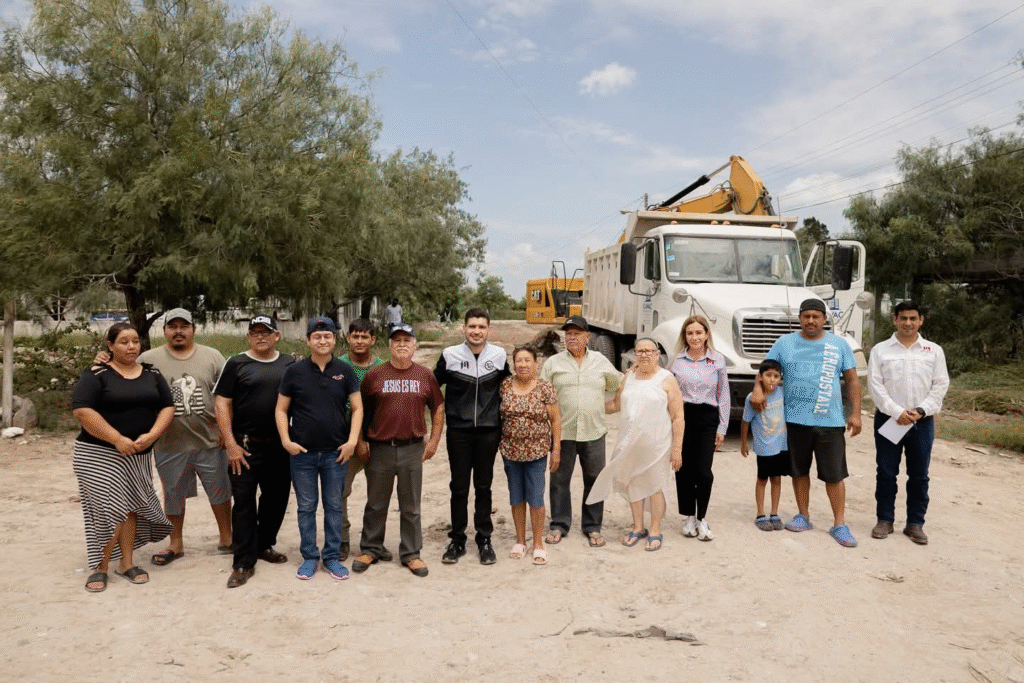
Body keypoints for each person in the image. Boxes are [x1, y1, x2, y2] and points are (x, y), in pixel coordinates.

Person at [72, 323, 175, 592]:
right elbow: (82, 410)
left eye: (135, 341)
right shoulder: (97, 374)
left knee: (130, 506)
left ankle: (126, 563)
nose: (131, 346)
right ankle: (100, 567)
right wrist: (117, 439)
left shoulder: (152, 373)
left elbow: (167, 407)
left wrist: (152, 436)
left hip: (138, 453)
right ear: (110, 345)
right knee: (109, 507)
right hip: (99, 453)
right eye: (123, 342)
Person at [753, 298, 862, 547]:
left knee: (834, 475)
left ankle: (839, 524)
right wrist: (758, 391)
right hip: (794, 420)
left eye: (816, 316)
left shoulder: (839, 344)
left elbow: (853, 380)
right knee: (799, 471)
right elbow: (764, 371)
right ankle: (803, 516)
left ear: (824, 319)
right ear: (800, 318)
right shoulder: (784, 343)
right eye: (806, 316)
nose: (811, 321)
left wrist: (855, 413)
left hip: (830, 421)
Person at [137, 308, 232, 565]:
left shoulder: (212, 356)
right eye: (173, 326)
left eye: (184, 326)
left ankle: (227, 538)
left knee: (220, 490)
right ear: (164, 330)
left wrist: (227, 430)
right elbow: (125, 375)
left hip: (210, 440)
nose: (178, 331)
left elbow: (226, 396)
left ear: (193, 329)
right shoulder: (148, 359)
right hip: (169, 442)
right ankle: (175, 543)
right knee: (173, 494)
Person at [353, 323, 445, 578]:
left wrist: (434, 440)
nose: (402, 345)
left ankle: (411, 553)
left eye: (407, 340)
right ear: (389, 346)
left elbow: (437, 407)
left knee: (411, 505)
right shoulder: (375, 375)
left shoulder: (425, 375)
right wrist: (360, 441)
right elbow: (361, 410)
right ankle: (370, 548)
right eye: (397, 341)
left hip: (412, 447)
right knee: (376, 503)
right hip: (380, 447)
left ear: (415, 345)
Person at [275, 316, 362, 580]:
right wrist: (286, 440)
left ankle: (332, 557)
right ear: (308, 340)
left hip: (336, 453)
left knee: (334, 506)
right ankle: (310, 557)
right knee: (306, 507)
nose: (322, 340)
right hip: (303, 454)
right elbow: (281, 409)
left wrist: (352, 441)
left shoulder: (345, 370)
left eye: (327, 336)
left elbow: (358, 408)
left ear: (335, 339)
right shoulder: (294, 371)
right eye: (317, 336)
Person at [213, 315, 295, 588]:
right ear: (248, 336)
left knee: (276, 500)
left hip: (279, 446)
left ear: (277, 335)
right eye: (255, 332)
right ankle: (243, 562)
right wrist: (231, 444)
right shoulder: (236, 364)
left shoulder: (290, 364)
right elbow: (222, 404)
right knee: (244, 503)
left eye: (266, 332)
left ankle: (263, 545)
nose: (261, 336)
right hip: (244, 447)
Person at [587, 338, 685, 552]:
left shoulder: (667, 379)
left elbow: (678, 416)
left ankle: (655, 529)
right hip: (629, 442)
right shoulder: (628, 376)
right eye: (639, 351)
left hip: (657, 444)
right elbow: (616, 404)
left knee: (655, 485)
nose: (644, 355)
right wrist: (590, 407)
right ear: (634, 355)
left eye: (649, 351)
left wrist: (677, 449)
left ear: (657, 354)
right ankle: (638, 527)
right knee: (632, 482)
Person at [867, 301, 949, 545]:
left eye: (913, 318)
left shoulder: (933, 351)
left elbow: (940, 384)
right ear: (895, 320)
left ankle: (915, 524)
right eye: (903, 318)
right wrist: (896, 411)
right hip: (889, 420)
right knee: (886, 472)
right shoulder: (881, 350)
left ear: (921, 320)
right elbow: (875, 385)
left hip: (921, 422)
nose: (908, 323)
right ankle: (885, 520)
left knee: (919, 475)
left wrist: (921, 410)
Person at [434, 308, 510, 565]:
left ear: (489, 330)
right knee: (459, 487)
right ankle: (457, 539)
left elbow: (509, 387)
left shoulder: (499, 355)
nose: (476, 331)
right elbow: (431, 387)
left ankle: (484, 539)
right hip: (459, 431)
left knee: (484, 486)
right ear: (463, 328)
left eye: (481, 327)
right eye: (472, 326)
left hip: (489, 431)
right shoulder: (450, 355)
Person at [540, 316, 622, 548]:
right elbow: (542, 395)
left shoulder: (600, 361)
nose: (572, 337)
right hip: (563, 433)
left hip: (594, 431)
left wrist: (608, 406)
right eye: (568, 334)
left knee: (594, 480)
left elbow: (618, 384)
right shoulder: (553, 364)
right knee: (559, 480)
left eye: (577, 333)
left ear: (587, 337)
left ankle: (592, 526)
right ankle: (559, 524)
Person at [668, 315, 730, 541]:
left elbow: (723, 395)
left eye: (698, 333)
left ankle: (702, 518)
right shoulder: (676, 361)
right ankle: (688, 516)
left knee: (703, 471)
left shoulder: (717, 360)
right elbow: (668, 391)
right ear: (684, 336)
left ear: (706, 335)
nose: (694, 337)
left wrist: (722, 427)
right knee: (683, 469)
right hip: (683, 416)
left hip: (707, 417)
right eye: (690, 333)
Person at [498, 345, 561, 565]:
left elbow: (555, 420)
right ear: (513, 364)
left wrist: (556, 449)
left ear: (536, 363)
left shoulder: (545, 388)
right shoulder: (505, 385)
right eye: (519, 360)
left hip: (537, 453)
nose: (523, 365)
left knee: (535, 498)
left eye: (527, 360)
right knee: (516, 497)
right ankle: (520, 541)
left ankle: (538, 543)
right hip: (510, 452)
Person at [338, 318, 390, 562]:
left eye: (364, 336)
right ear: (348, 338)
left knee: (378, 494)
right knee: (339, 491)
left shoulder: (382, 369)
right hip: (343, 441)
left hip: (376, 440)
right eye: (355, 336)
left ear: (373, 340)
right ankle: (341, 539)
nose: (359, 341)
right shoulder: (337, 367)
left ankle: (373, 541)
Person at [740, 360, 789, 531]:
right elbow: (745, 421)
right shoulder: (752, 398)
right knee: (762, 480)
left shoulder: (782, 393)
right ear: (760, 377)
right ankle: (760, 514)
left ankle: (774, 513)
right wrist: (744, 443)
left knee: (777, 479)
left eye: (776, 376)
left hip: (781, 446)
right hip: (764, 447)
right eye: (768, 375)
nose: (772, 379)